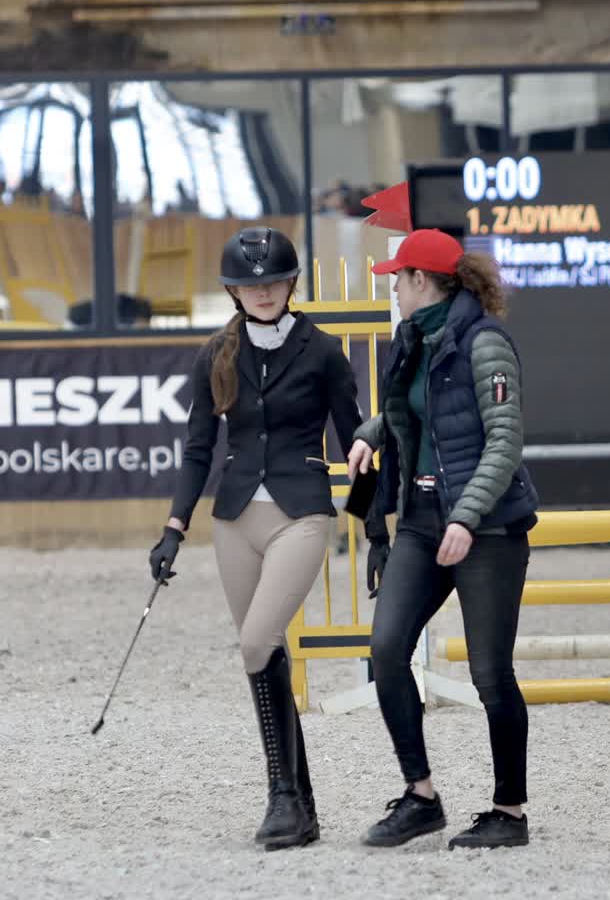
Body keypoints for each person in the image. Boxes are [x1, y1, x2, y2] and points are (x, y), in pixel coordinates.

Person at [146, 226, 363, 851]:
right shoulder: (216, 353)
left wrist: (375, 527)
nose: (263, 292)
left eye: (273, 282)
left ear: (290, 284)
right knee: (264, 654)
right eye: (250, 285)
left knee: (254, 641)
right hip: (234, 519)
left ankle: (280, 795)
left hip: (301, 513)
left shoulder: (323, 352)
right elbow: (198, 448)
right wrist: (174, 528)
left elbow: (356, 443)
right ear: (233, 291)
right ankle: (300, 806)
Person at [348, 229, 538, 851]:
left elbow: (504, 441)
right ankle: (421, 797)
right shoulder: (414, 337)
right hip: (421, 521)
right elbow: (420, 408)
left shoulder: (486, 343)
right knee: (385, 650)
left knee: (490, 675)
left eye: (397, 279)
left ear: (421, 281)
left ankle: (509, 812)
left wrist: (466, 518)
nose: (393, 289)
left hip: (489, 531)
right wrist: (373, 432)